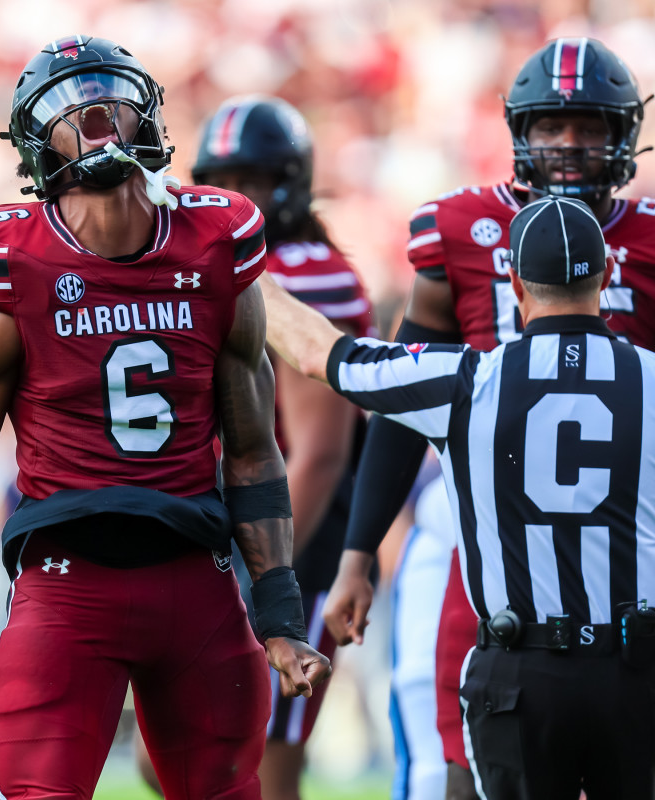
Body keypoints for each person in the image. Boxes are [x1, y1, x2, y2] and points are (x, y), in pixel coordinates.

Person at [0, 35, 331, 800]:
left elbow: (252, 450)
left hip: (198, 582)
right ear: (32, 144)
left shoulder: (216, 249)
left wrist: (278, 612)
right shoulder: (11, 267)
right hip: (66, 586)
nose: (95, 118)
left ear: (147, 114)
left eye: (110, 96)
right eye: (67, 109)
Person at [320, 37, 655, 800]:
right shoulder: (458, 229)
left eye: (589, 127)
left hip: (634, 531)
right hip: (492, 529)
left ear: (624, 134)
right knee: (466, 759)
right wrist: (359, 548)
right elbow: (400, 412)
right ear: (518, 133)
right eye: (551, 127)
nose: (568, 146)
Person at [136, 94, 371, 800]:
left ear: (290, 182)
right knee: (183, 757)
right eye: (223, 181)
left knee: (262, 767)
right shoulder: (233, 258)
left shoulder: (304, 271)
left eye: (253, 181)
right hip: (240, 518)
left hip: (300, 528)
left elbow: (320, 451)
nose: (235, 199)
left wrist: (266, 582)